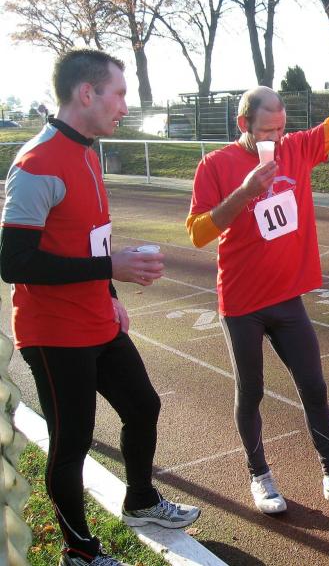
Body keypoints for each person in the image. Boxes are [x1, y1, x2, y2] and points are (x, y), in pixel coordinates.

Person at [186, 25, 329, 518]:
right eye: (267, 130)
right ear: (243, 122)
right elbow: (197, 233)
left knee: (315, 387)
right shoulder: (215, 165)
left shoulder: (298, 149)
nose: (275, 138)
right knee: (251, 392)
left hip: (287, 298)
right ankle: (259, 476)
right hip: (242, 302)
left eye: (281, 128)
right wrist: (244, 192)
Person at [0, 49, 200, 566]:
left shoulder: (88, 152)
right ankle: (80, 552)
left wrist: (109, 294)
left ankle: (141, 501)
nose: (125, 107)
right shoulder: (36, 164)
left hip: (97, 320)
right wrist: (110, 268)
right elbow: (14, 262)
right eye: (120, 94)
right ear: (86, 93)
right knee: (73, 444)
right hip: (53, 332)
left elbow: (87, 239)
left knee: (143, 406)